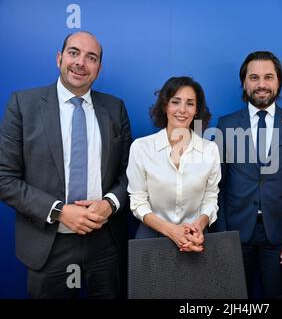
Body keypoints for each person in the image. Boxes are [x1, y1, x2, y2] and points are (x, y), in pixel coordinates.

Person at [0, 31, 132, 298]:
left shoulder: (115, 108)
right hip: (48, 244)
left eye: (91, 57)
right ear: (59, 58)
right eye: (74, 53)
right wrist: (60, 211)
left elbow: (131, 174)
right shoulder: (23, 105)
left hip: (104, 243)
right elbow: (5, 178)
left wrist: (109, 204)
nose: (81, 62)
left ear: (99, 68)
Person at [212, 51, 282, 298]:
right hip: (236, 233)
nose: (261, 84)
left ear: (278, 81)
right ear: (244, 83)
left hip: (279, 235)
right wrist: (223, 235)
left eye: (268, 77)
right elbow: (218, 185)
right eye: (254, 77)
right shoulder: (226, 124)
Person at [126, 76, 221, 252]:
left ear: (196, 110)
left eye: (190, 103)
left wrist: (199, 225)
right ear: (165, 106)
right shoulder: (141, 148)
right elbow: (138, 201)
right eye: (175, 102)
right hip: (151, 239)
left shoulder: (210, 150)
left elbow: (210, 197)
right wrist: (171, 231)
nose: (182, 110)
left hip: (195, 238)